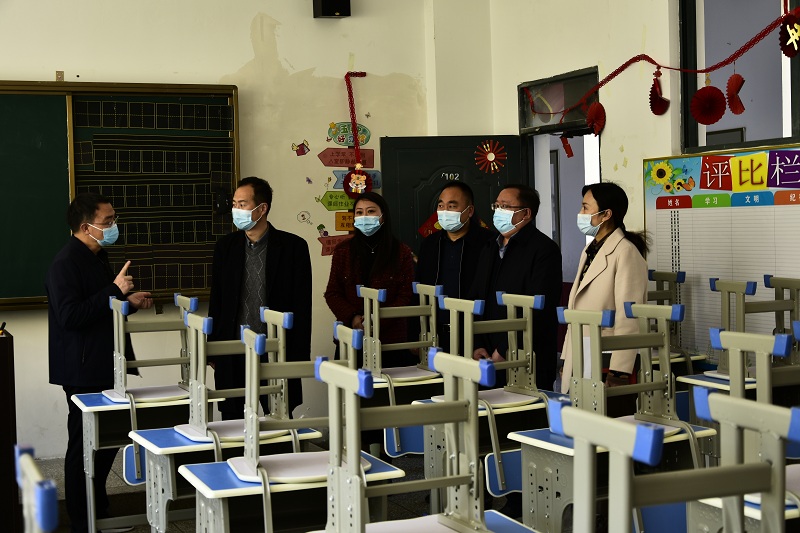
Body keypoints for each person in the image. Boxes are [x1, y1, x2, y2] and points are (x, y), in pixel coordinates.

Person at [47, 192, 153, 533]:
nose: (113, 226)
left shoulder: (97, 257)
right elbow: (70, 316)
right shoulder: (65, 263)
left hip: (104, 363)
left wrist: (127, 301)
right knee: (84, 446)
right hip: (82, 370)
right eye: (107, 221)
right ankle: (83, 521)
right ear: (85, 227)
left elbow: (99, 307)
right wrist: (114, 290)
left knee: (104, 441)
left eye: (113, 219)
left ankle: (99, 510)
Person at [208, 176, 312, 420]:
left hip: (275, 348)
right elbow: (217, 300)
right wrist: (213, 348)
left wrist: (298, 357)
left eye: (242, 204)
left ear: (262, 208)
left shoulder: (293, 247)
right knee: (233, 419)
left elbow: (302, 305)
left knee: (278, 418)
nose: (236, 210)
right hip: (233, 348)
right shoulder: (225, 247)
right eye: (234, 204)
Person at [470, 184, 563, 391]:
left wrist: (505, 348)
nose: (498, 211)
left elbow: (540, 308)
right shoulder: (489, 247)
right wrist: (478, 343)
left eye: (505, 206)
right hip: (486, 355)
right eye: (496, 206)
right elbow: (476, 297)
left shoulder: (544, 250)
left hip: (526, 356)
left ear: (526, 213)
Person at [559, 181, 649, 394]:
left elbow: (629, 315)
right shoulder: (590, 249)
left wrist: (619, 370)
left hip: (606, 354)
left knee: (601, 410)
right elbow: (576, 308)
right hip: (580, 349)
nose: (580, 213)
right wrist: (565, 359)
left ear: (606, 214)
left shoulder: (625, 252)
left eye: (585, 207)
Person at [324, 191, 416, 369]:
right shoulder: (343, 251)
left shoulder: (401, 252)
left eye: (371, 211)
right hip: (352, 339)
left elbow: (405, 296)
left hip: (391, 341)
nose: (364, 217)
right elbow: (332, 293)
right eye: (359, 212)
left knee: (389, 386)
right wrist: (353, 317)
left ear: (383, 216)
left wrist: (377, 320)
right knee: (351, 386)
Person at [415, 181, 494, 353]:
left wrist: (482, 341)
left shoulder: (489, 244)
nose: (445, 211)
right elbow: (419, 289)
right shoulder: (430, 244)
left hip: (475, 337)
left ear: (469, 211)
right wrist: (416, 333)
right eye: (441, 206)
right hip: (435, 336)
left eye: (452, 206)